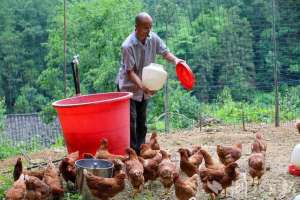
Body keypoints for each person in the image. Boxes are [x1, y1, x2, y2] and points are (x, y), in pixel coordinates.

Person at [116, 12, 184, 154]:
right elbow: (130, 72)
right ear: (137, 27)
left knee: (142, 120)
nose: (149, 31)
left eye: (150, 27)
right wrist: (144, 88)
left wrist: (176, 60)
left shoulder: (153, 38)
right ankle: (132, 153)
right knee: (131, 121)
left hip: (145, 85)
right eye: (145, 28)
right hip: (128, 87)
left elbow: (165, 52)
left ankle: (141, 149)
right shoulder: (127, 46)